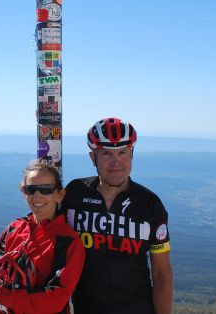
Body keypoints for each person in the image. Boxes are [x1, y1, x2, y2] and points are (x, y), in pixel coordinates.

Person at [63, 117, 173, 314]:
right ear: (92, 157)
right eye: (106, 153)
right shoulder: (74, 194)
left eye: (123, 152)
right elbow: (42, 226)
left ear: (132, 155)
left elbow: (162, 274)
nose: (116, 162)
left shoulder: (149, 204)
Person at [0, 159, 85, 314]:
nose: (37, 195)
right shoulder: (13, 229)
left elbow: (54, 300)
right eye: (30, 189)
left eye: (46, 189)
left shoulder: (67, 242)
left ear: (60, 195)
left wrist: (0, 294)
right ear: (24, 193)